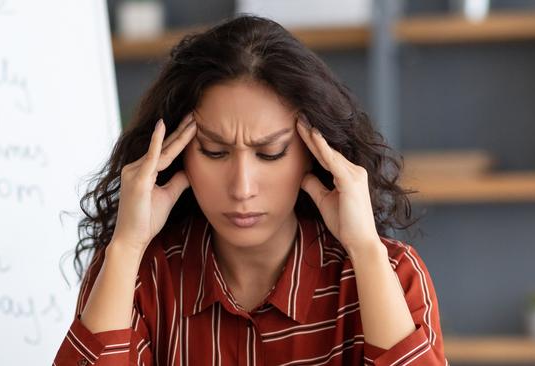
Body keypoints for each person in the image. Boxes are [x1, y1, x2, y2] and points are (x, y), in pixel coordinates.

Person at [53, 14, 448, 366]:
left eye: (271, 153)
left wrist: (364, 249)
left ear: (315, 155)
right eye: (214, 151)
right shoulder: (139, 274)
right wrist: (125, 247)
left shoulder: (390, 273)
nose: (241, 188)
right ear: (178, 155)